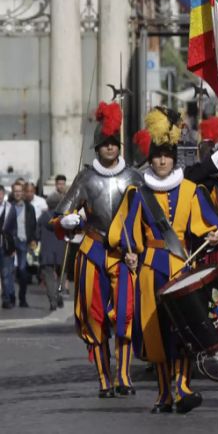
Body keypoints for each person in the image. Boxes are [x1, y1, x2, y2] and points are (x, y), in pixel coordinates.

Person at [109, 106, 218, 414]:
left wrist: (214, 237)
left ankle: (183, 386)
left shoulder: (190, 190)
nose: (161, 161)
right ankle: (164, 394)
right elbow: (125, 231)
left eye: (166, 156)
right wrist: (130, 250)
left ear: (174, 158)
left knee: (182, 330)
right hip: (150, 269)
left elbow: (215, 227)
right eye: (157, 156)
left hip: (181, 267)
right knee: (157, 332)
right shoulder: (138, 191)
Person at [53, 101, 144, 396]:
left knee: (125, 314)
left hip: (124, 253)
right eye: (104, 144)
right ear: (96, 147)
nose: (109, 148)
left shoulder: (133, 177)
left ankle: (124, 376)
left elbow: (146, 215)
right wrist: (67, 220)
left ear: (119, 146)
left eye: (113, 143)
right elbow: (62, 213)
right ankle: (104, 379)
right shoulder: (85, 178)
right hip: (92, 250)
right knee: (95, 317)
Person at [6, 181, 36, 309]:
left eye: (20, 191)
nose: (18, 193)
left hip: (24, 242)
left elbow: (33, 225)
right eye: (16, 191)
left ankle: (22, 298)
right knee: (10, 271)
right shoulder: (9, 207)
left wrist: (33, 240)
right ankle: (11, 297)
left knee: (23, 271)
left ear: (23, 192)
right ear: (13, 192)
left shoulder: (29, 208)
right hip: (11, 242)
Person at [37, 209, 64, 310]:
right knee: (61, 275)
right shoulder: (64, 217)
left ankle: (53, 299)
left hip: (46, 250)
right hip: (61, 250)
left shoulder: (44, 216)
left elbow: (37, 233)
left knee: (48, 276)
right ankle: (58, 294)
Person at [0, 186, 15, 309]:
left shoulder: (10, 209)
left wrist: (12, 247)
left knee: (6, 274)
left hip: (5, 246)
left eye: (0, 194)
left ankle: (7, 299)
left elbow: (13, 230)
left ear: (3, 194)